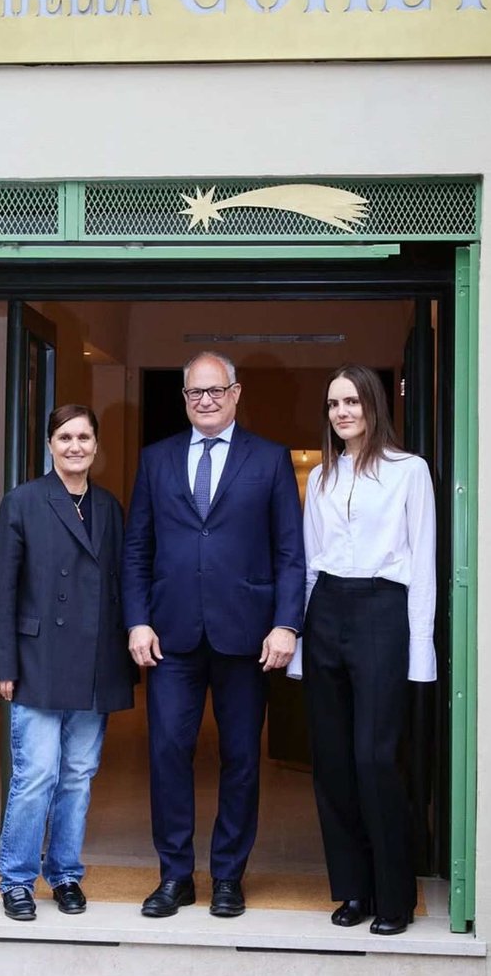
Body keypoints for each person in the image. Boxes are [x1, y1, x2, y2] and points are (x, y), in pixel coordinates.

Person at [122, 352, 305, 918]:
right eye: (195, 392)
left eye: (215, 390)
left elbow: (290, 553)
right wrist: (137, 619)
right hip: (171, 636)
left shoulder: (270, 460)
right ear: (184, 398)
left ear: (235, 393)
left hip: (248, 638)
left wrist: (286, 622)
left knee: (242, 759)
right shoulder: (155, 460)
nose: (205, 400)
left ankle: (228, 876)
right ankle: (175, 876)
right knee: (168, 754)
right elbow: (136, 550)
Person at [287, 364, 436, 936]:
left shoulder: (408, 471)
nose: (342, 412)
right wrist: (300, 643)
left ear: (374, 406)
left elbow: (422, 564)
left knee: (375, 758)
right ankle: (352, 890)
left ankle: (394, 895)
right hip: (325, 611)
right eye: (332, 404)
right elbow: (306, 565)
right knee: (332, 763)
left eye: (352, 401)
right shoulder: (323, 477)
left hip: (382, 612)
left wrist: (419, 653)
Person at [0, 403, 135, 922]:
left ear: (97, 445)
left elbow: (120, 583)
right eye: (66, 437)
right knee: (35, 775)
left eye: (85, 437)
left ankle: (66, 872)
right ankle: (16, 879)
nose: (76, 446)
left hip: (96, 661)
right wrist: (2, 662)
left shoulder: (110, 507)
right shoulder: (23, 502)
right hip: (38, 659)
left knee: (78, 774)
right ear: (50, 445)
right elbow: (2, 589)